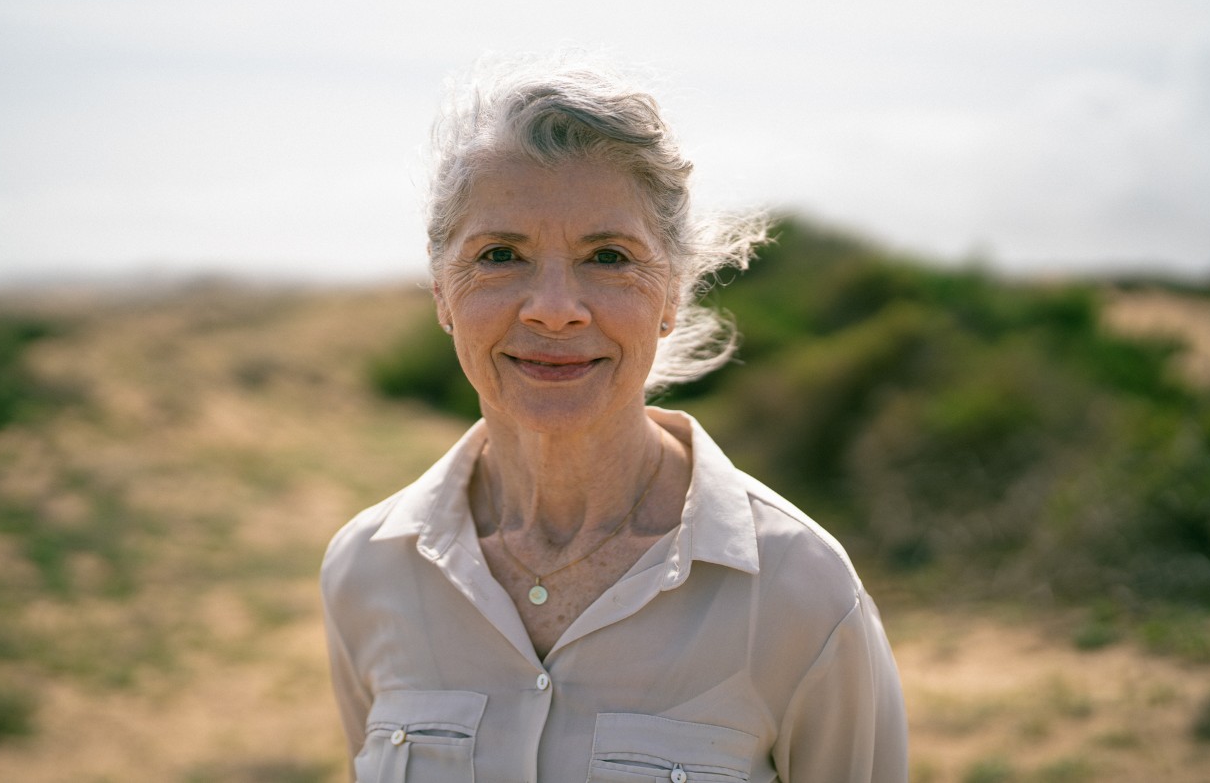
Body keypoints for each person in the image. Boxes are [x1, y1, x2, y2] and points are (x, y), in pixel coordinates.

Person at [321, 54, 908, 782]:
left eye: (608, 255)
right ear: (443, 291)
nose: (556, 308)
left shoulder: (800, 589)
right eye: (501, 254)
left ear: (672, 293)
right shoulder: (367, 570)